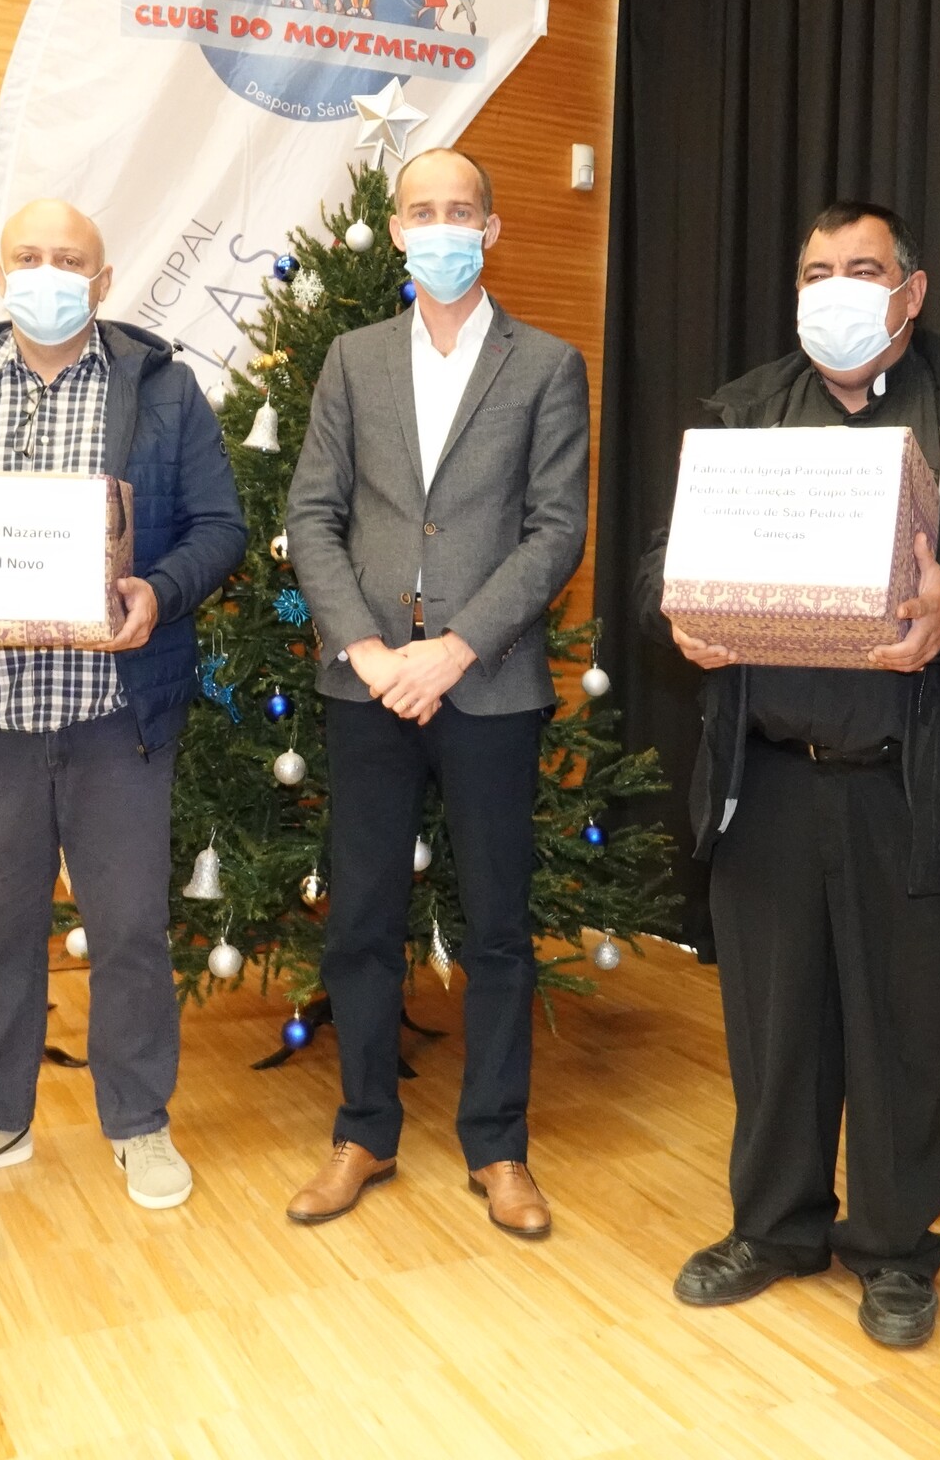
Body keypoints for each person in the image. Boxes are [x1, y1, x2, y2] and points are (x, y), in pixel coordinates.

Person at [635, 202, 940, 1348]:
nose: (837, 288)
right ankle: (774, 1227)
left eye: (864, 268)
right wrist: (678, 609)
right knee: (774, 1028)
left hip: (916, 783)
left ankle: (893, 1247)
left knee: (906, 1037)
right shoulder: (741, 413)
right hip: (769, 777)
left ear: (911, 292)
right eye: (817, 271)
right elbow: (659, 562)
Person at [0, 199, 244, 1210]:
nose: (47, 273)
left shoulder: (163, 390)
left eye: (69, 260)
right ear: (0, 273)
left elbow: (220, 526)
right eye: (28, 256)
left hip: (117, 714)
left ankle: (139, 1122)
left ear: (102, 282)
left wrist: (159, 591)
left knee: (130, 929)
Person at [283, 147, 589, 1237]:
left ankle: (499, 1147)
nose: (444, 226)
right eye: (424, 210)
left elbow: (556, 531)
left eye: (463, 210)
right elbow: (312, 515)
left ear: (492, 231)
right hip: (366, 686)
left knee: (498, 926)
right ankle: (363, 1131)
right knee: (362, 921)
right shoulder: (352, 359)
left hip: (488, 684)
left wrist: (454, 650)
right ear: (398, 230)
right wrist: (369, 652)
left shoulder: (546, 364)